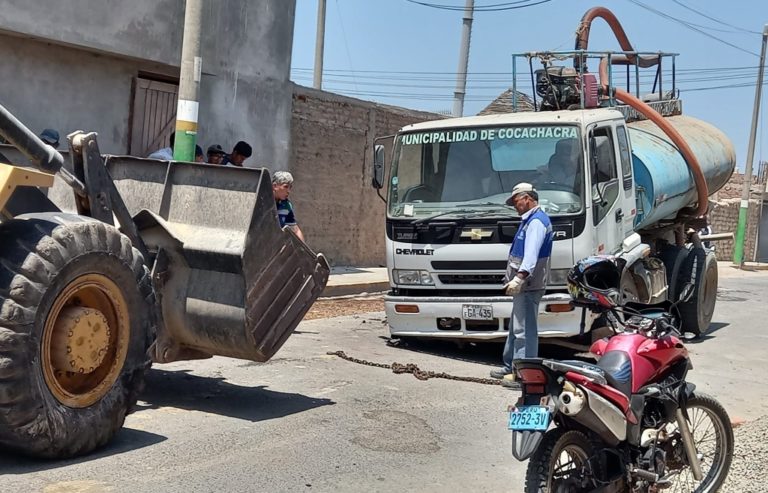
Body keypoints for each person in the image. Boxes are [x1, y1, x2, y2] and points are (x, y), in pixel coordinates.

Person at [490, 183, 554, 389]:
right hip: (525, 285)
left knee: (524, 331)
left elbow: (531, 255)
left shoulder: (536, 222)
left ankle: (524, 376)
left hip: (528, 285)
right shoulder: (529, 220)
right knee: (516, 328)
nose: (515, 206)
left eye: (516, 201)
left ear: (527, 198)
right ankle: (510, 366)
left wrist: (519, 278)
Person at [272, 171, 305, 242]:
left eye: (290, 187)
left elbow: (295, 230)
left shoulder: (286, 205)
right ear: (275, 186)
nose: (288, 191)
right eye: (285, 187)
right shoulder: (263, 200)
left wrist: (303, 249)